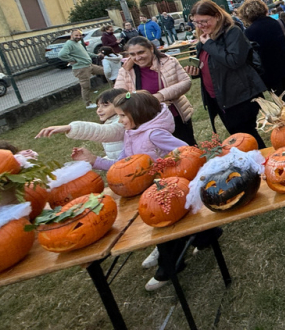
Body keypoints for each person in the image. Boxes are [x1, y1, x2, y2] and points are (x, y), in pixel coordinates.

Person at [72, 91, 195, 292]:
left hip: (166, 188)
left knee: (165, 227)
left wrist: (161, 166)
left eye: (121, 116)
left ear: (137, 114)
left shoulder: (154, 134)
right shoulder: (130, 134)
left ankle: (169, 267)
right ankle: (207, 236)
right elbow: (121, 165)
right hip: (145, 189)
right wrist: (93, 160)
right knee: (158, 223)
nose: (118, 121)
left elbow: (186, 151)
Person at [184, 0, 268, 147]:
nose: (200, 26)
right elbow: (211, 64)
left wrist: (209, 44)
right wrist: (196, 70)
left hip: (239, 97)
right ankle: (251, 166)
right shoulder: (205, 37)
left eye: (204, 21)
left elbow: (234, 61)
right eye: (196, 22)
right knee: (237, 138)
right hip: (220, 98)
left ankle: (263, 164)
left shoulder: (232, 32)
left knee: (247, 137)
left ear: (217, 15)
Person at [114, 36, 196, 146]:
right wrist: (147, 100)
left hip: (175, 115)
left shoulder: (169, 62)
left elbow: (186, 82)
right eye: (132, 54)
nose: (137, 58)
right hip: (147, 122)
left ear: (151, 49)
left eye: (141, 52)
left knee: (187, 148)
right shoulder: (125, 71)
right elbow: (119, 97)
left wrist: (160, 96)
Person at [36, 88, 126, 160]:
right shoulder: (110, 121)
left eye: (105, 106)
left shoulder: (123, 123)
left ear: (121, 105)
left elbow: (104, 132)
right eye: (98, 106)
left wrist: (70, 128)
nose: (99, 110)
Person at [239, 0, 285, 98]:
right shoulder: (279, 23)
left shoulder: (248, 32)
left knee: (279, 99)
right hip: (284, 66)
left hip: (266, 72)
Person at [58, 29, 106, 109]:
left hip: (89, 65)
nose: (78, 37)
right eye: (76, 35)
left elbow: (85, 53)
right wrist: (73, 59)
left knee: (106, 71)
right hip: (81, 68)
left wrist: (96, 55)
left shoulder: (78, 43)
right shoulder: (69, 43)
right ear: (72, 36)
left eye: (80, 35)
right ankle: (88, 104)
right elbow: (61, 55)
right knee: (86, 86)